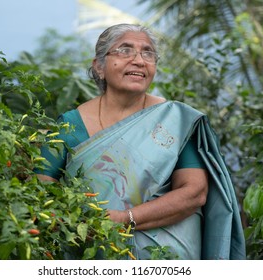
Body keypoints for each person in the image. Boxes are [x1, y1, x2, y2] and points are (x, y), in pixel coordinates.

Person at [34, 23, 245, 260]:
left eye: (148, 53)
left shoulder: (174, 121)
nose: (138, 60)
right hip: (92, 254)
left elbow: (194, 192)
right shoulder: (70, 125)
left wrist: (124, 219)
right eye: (124, 50)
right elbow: (42, 191)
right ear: (99, 66)